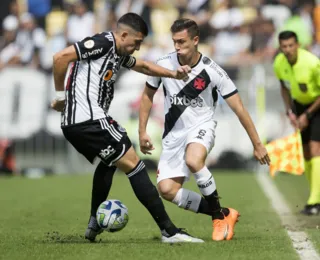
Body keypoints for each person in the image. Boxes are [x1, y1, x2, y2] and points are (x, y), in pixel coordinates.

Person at [51, 13, 203, 243]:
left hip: (79, 123)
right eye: (137, 42)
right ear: (123, 35)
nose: (137, 48)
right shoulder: (104, 43)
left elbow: (142, 66)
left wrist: (173, 73)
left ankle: (94, 223)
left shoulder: (117, 53)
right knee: (135, 165)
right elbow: (60, 57)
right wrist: (60, 96)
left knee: (109, 163)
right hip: (89, 120)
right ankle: (169, 231)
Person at [139, 18, 270, 241]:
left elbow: (239, 108)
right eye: (174, 42)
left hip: (202, 126)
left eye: (182, 41)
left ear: (196, 40)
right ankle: (224, 213)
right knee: (167, 190)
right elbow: (147, 95)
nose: (177, 47)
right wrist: (142, 131)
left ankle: (218, 220)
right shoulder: (163, 65)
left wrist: (257, 144)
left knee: (194, 160)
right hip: (173, 134)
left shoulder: (212, 70)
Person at [273, 30, 320, 215]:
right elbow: (283, 86)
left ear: (297, 45)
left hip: (316, 105)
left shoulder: (312, 63)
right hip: (300, 106)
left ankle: (314, 201)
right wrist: (290, 111)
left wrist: (307, 115)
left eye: (291, 45)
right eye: (284, 46)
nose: (287, 49)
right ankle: (315, 196)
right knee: (307, 152)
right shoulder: (279, 63)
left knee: (316, 148)